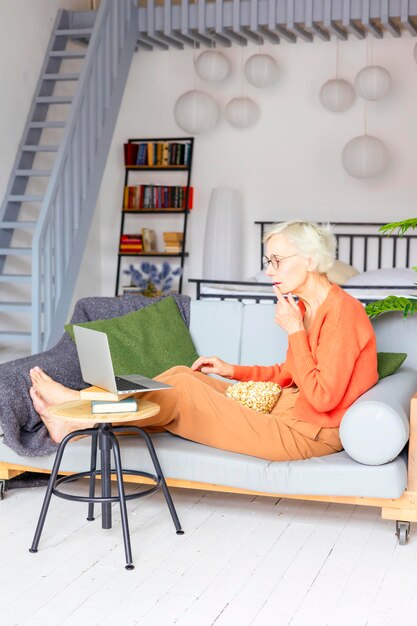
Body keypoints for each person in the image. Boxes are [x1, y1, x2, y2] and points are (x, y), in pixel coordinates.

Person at [29, 220, 378, 462]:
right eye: (267, 261)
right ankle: (83, 410)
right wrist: (232, 370)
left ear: (311, 260)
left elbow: (321, 396)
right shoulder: (306, 306)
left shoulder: (344, 314)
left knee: (184, 393)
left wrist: (294, 332)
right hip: (286, 406)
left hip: (310, 434)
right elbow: (289, 373)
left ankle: (78, 416)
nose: (269, 270)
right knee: (182, 374)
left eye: (277, 260)